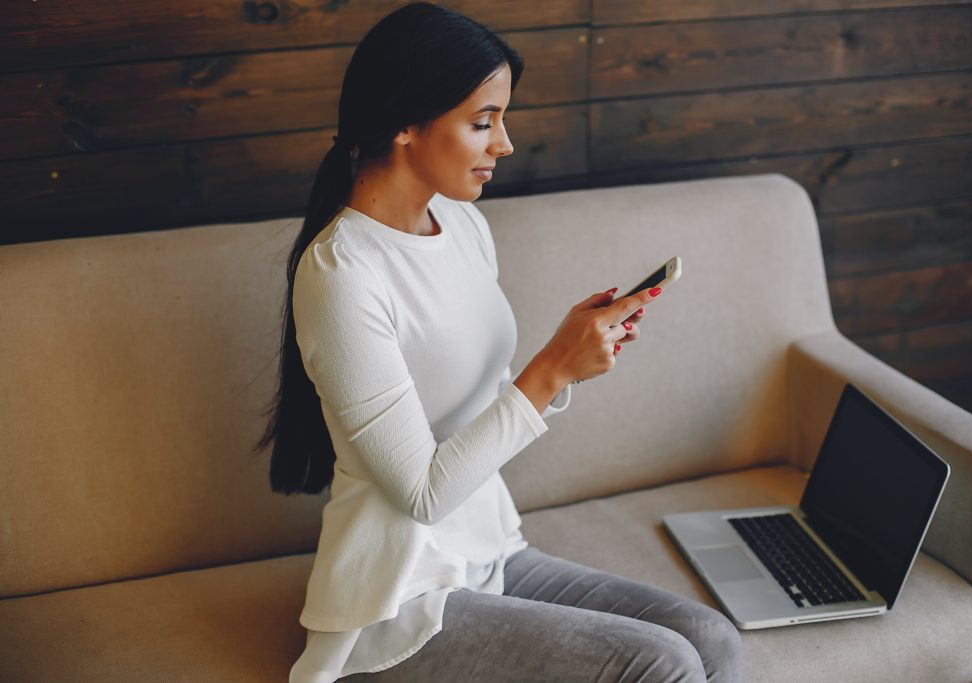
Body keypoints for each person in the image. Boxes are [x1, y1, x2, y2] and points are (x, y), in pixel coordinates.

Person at [255, 3, 743, 681]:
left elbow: (486, 398)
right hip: (401, 595)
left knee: (710, 637)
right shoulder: (341, 273)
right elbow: (421, 493)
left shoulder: (462, 225)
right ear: (404, 122)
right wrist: (551, 371)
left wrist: (568, 363)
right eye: (483, 122)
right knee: (660, 664)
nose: (503, 143)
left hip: (490, 551)